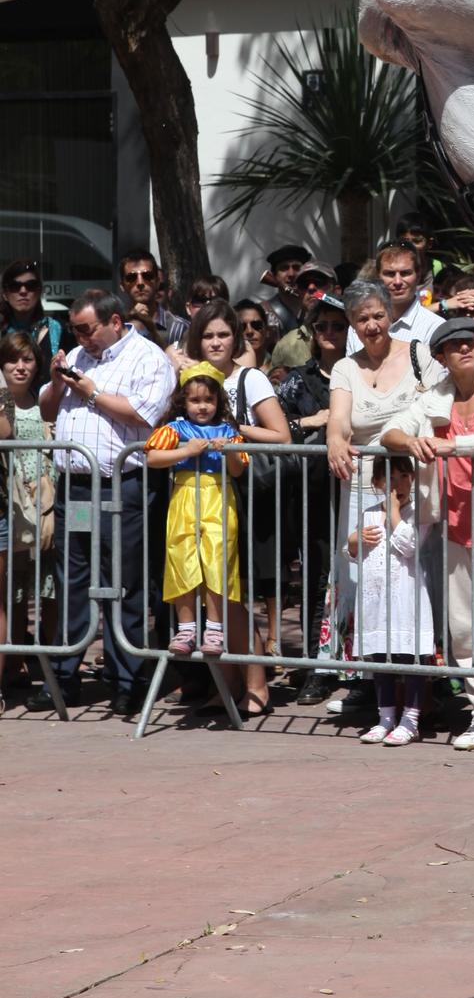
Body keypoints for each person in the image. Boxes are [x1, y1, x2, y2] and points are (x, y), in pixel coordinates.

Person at [384, 316, 474, 750]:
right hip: (452, 526)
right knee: (463, 632)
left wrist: (453, 446)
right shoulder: (436, 396)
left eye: (470, 342)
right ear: (441, 357)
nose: (465, 349)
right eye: (454, 345)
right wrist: (411, 443)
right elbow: (391, 430)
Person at [39, 291, 175, 714]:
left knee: (124, 582)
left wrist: (93, 393)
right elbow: (47, 409)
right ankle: (64, 675)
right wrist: (58, 380)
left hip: (123, 485)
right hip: (75, 488)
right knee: (73, 579)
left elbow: (144, 414)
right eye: (77, 330)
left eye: (87, 328)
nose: (81, 337)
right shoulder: (78, 356)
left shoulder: (147, 357)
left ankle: (126, 679)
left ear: (114, 321)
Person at [326, 281, 442, 719]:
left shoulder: (418, 353)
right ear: (353, 325)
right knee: (366, 585)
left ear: (389, 314)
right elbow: (339, 420)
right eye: (362, 318)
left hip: (415, 483)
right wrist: (335, 442)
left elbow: (437, 409)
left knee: (417, 583)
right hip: (362, 487)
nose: (371, 325)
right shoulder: (345, 368)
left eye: (377, 315)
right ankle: (373, 686)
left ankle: (426, 685)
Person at [183, 299, 292, 715]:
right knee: (207, 594)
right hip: (197, 497)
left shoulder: (251, 379)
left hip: (242, 495)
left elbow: (280, 435)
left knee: (230, 596)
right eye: (208, 335)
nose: (215, 342)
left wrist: (231, 430)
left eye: (223, 334)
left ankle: (256, 684)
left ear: (237, 338)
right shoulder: (190, 377)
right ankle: (227, 684)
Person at [145, 364, 248, 659]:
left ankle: (214, 628)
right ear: (183, 402)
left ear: (218, 402)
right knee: (181, 557)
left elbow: (239, 470)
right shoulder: (175, 430)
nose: (202, 407)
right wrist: (186, 452)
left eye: (208, 400)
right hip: (184, 497)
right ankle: (186, 627)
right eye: (195, 400)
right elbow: (153, 457)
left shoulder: (229, 432)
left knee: (218, 559)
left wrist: (227, 450)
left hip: (218, 496)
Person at [276, 299, 350, 699]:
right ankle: (316, 665)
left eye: (338, 326)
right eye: (322, 326)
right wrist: (310, 421)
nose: (330, 333)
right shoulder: (297, 380)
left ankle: (356, 664)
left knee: (355, 576)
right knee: (317, 578)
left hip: (359, 490)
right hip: (314, 495)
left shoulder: (361, 371)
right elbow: (272, 425)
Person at [346, 454, 435, 746]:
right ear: (377, 482)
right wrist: (354, 541)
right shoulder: (370, 513)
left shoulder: (417, 513)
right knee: (381, 658)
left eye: (404, 477)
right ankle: (385, 717)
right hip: (376, 600)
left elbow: (408, 546)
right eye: (390, 478)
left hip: (405, 599)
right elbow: (353, 554)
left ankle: (410, 720)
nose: (397, 484)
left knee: (410, 658)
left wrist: (394, 513)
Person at [0, 332, 55, 709]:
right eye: (12, 361)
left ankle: (50, 662)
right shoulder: (3, 404)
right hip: (11, 501)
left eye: (27, 360)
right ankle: (14, 662)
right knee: (13, 589)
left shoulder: (45, 399)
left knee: (48, 585)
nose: (21, 367)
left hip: (46, 500)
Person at [346, 245, 446, 357]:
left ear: (418, 276)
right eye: (390, 274)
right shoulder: (359, 325)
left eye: (405, 273)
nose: (397, 281)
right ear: (378, 276)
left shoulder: (435, 327)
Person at [0, 260, 68, 381]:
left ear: (39, 291)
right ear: (5, 294)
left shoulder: (59, 330)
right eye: (15, 286)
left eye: (31, 285)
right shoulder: (1, 331)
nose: (23, 291)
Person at [270, 263, 341, 372]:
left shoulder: (356, 335)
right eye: (304, 284)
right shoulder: (286, 346)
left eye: (318, 282)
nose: (311, 288)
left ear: (337, 290)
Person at [118, 249, 187, 348]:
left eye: (147, 276)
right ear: (122, 286)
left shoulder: (180, 329)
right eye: (131, 278)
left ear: (158, 282)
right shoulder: (116, 328)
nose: (140, 283)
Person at [259, 244, 313, 338]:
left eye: (296, 268)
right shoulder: (262, 312)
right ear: (274, 276)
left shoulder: (317, 307)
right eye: (284, 268)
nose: (291, 274)